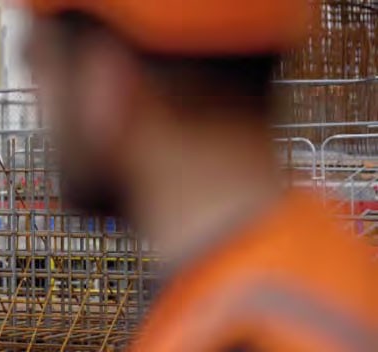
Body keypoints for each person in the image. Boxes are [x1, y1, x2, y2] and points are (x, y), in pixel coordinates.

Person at [23, 1, 377, 351]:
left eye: (37, 62)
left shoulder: (247, 332)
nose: (40, 100)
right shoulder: (317, 283)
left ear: (104, 78)